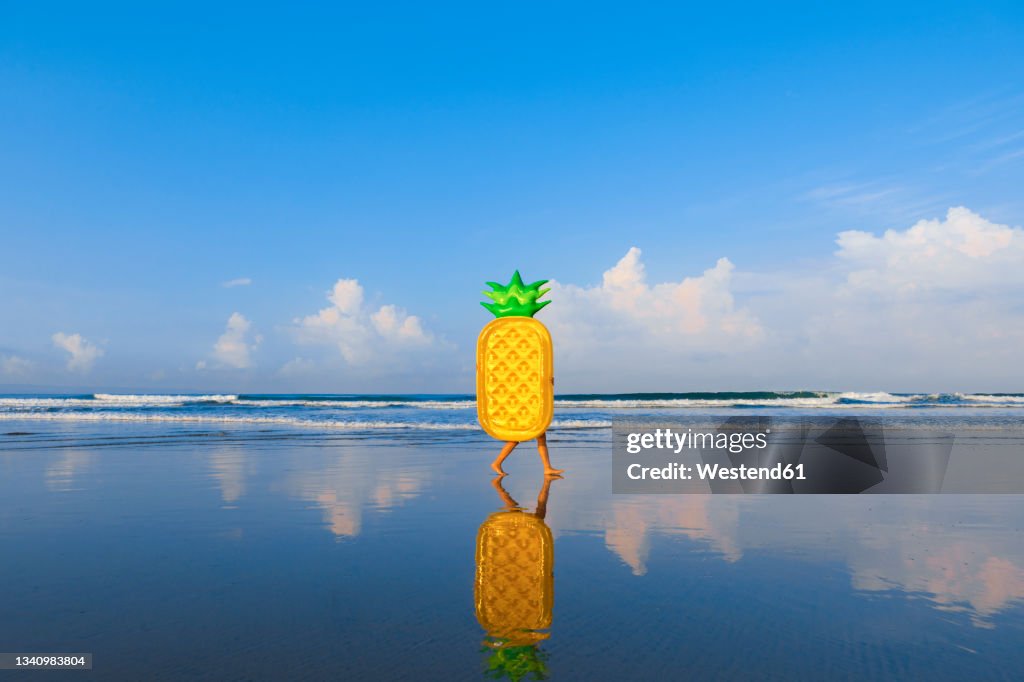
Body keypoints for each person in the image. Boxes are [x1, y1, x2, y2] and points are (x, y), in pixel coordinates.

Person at [490, 432, 563, 477]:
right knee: (516, 438)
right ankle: (497, 463)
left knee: (541, 436)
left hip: (528, 413)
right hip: (525, 415)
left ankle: (547, 468)